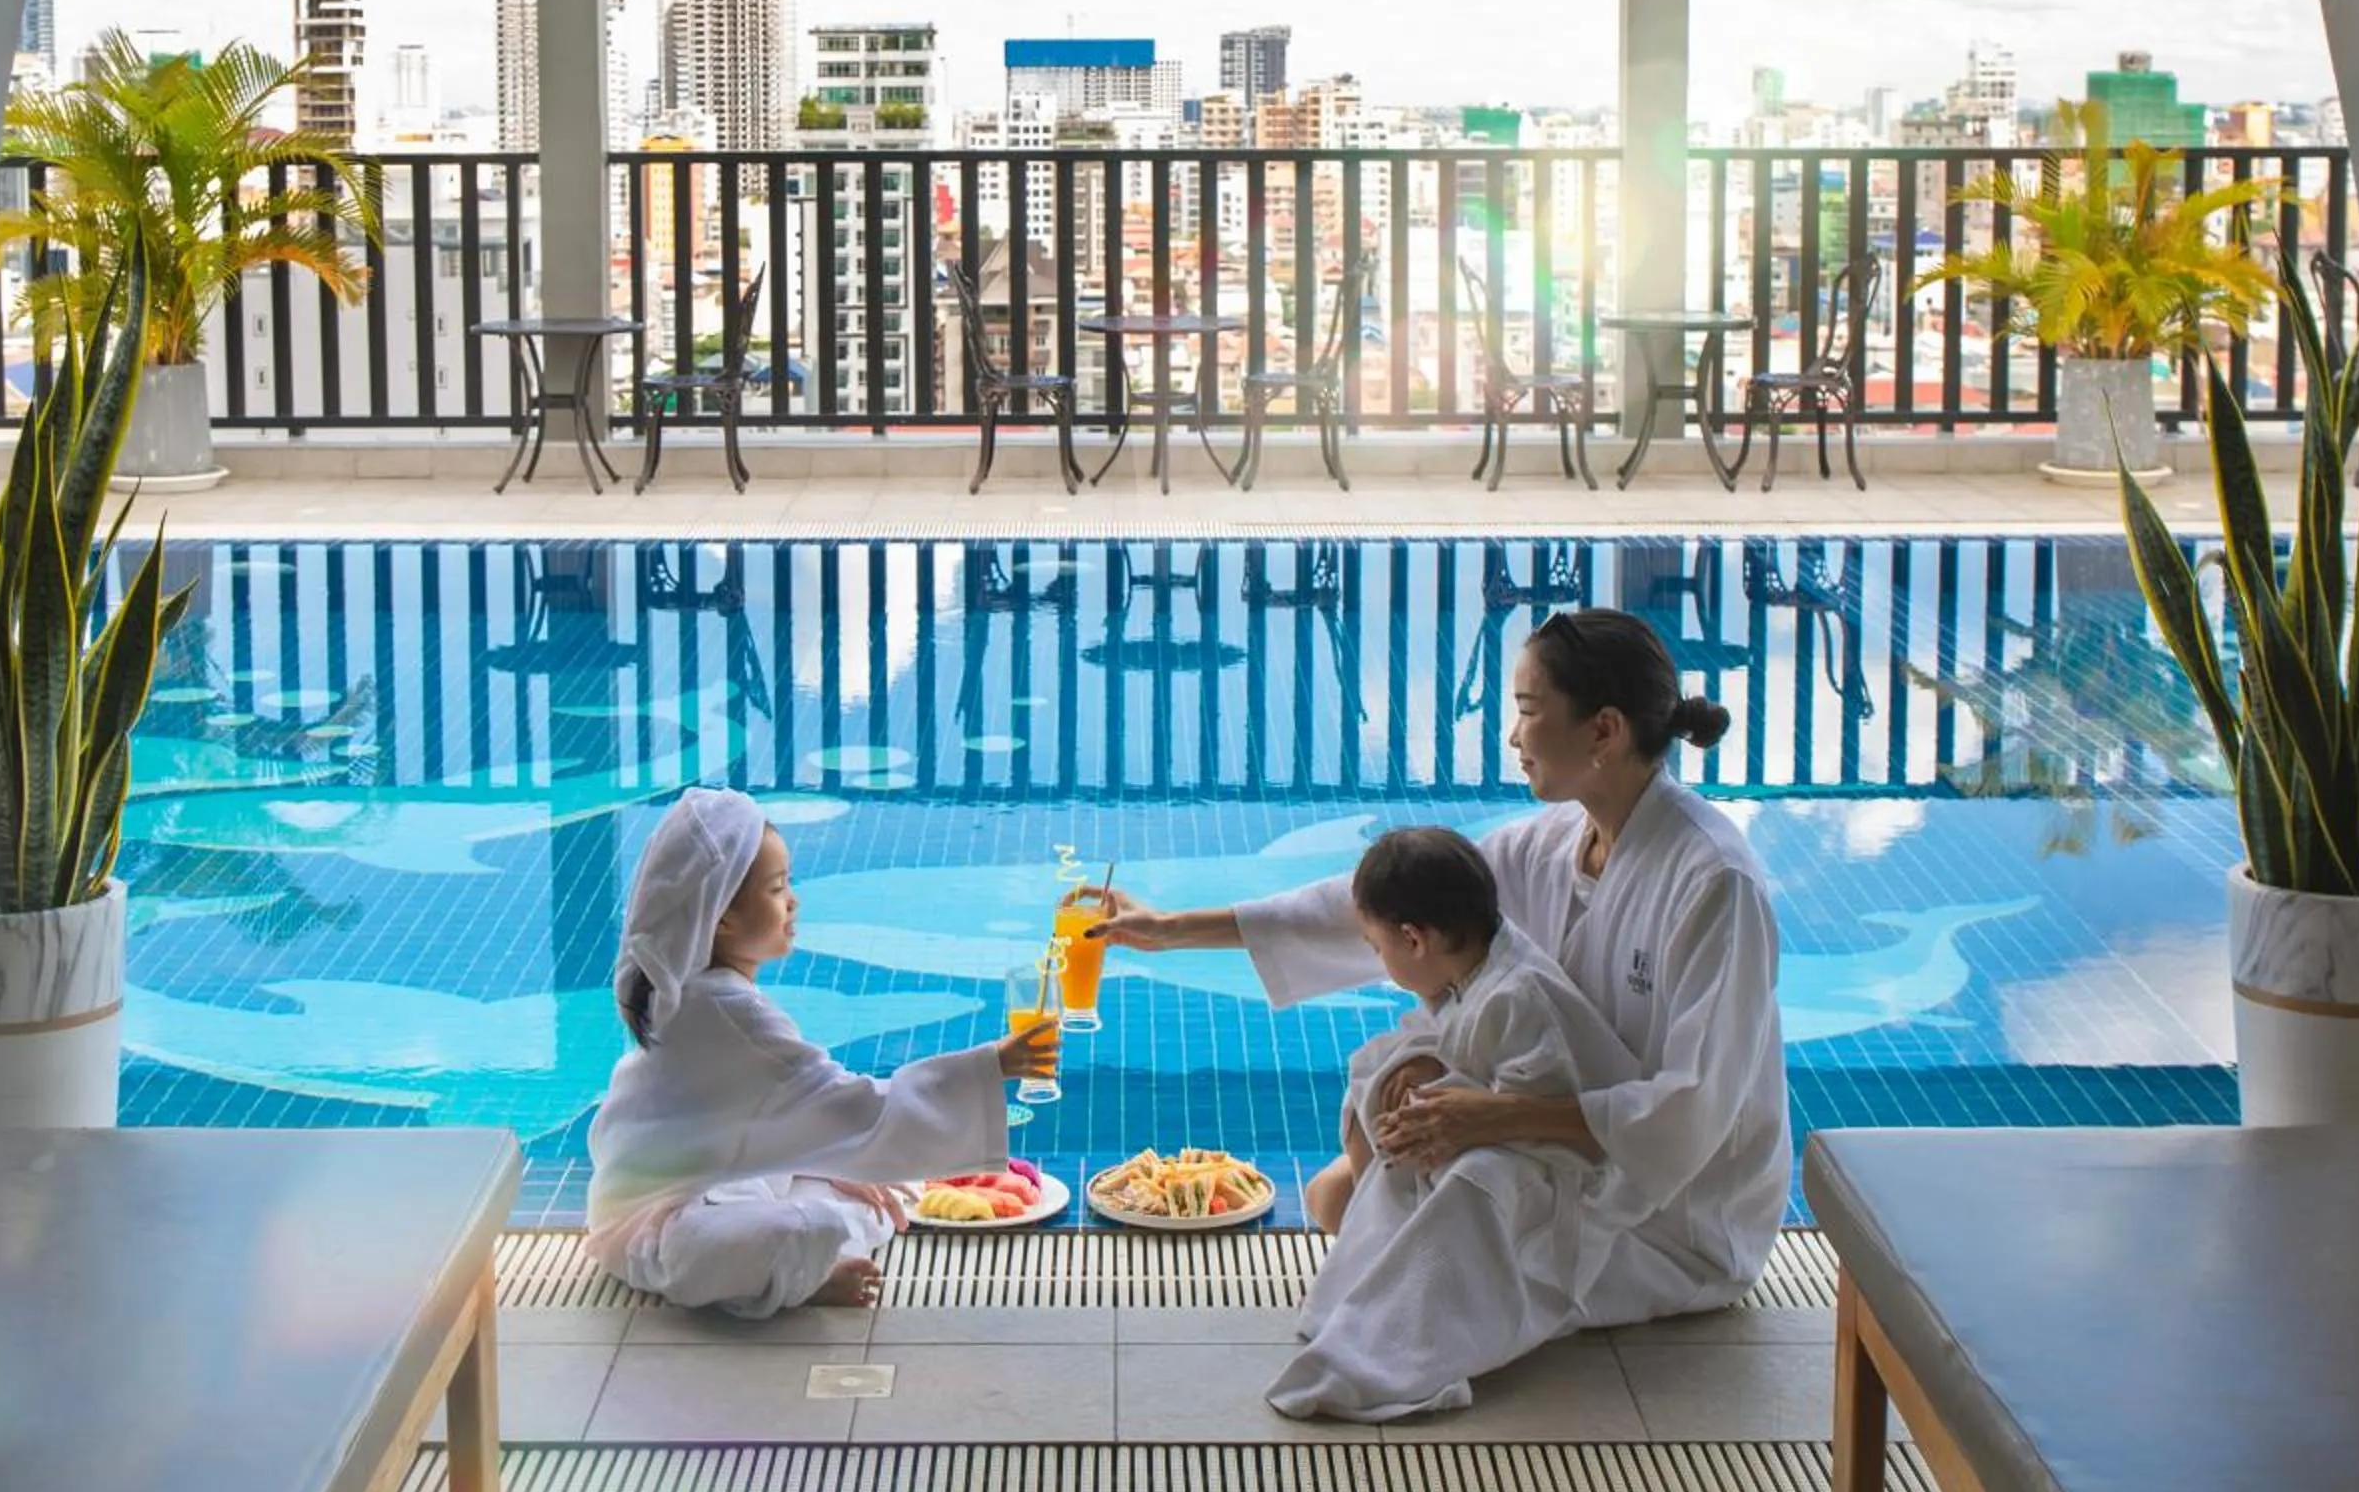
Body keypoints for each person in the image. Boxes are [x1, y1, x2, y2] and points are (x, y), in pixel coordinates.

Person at [1098, 607, 1787, 1395]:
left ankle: (1372, 1370)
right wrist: (1168, 929)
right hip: (1567, 1147)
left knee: (1424, 1196)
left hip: (1676, 1215)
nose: (1513, 735)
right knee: (1344, 1188)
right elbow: (1387, 903)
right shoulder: (1554, 844)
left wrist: (1490, 1117)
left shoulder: (1712, 885)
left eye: (1529, 713)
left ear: (1603, 732)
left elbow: (1691, 1113)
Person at [585, 785, 1058, 1316]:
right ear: (722, 918)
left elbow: (803, 1106)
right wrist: (992, 1065)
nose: (794, 901)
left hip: (718, 1175)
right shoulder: (721, 1011)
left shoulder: (702, 992)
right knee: (795, 1226)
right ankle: (800, 1274)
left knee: (871, 1189)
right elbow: (851, 1106)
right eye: (776, 888)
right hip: (655, 1219)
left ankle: (808, 1249)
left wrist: (837, 1161)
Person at [1268, 826, 1643, 1420]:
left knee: (1472, 1177)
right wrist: (1423, 1068)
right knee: (1378, 1071)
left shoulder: (1521, 996)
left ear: (1414, 940)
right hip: (1503, 1135)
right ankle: (1375, 1291)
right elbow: (1457, 1047)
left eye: (1376, 947)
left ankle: (1394, 1346)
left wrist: (1452, 1116)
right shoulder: (1475, 966)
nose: (1378, 959)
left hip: (1559, 1176)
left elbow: (1543, 1123)